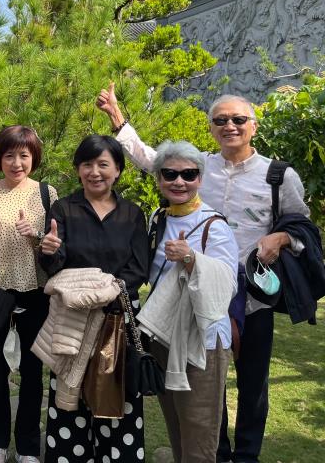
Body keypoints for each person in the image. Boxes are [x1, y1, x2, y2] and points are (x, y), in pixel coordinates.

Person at [97, 84, 310, 463]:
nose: (230, 126)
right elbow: (151, 160)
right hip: (191, 300)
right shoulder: (199, 166)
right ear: (211, 128)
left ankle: (245, 455)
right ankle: (217, 451)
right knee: (205, 387)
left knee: (252, 384)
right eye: (221, 120)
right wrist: (118, 119)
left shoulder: (278, 176)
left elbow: (302, 226)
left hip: (251, 297)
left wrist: (279, 236)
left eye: (239, 119)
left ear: (254, 126)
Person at [40, 135, 149, 463]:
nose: (95, 171)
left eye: (103, 164)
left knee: (118, 397)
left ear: (117, 170)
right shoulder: (64, 210)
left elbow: (138, 269)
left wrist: (102, 294)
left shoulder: (132, 215)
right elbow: (53, 267)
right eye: (87, 164)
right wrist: (49, 252)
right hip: (71, 322)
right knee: (69, 401)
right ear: (77, 169)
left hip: (118, 321)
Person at [137, 141, 238, 462]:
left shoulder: (215, 225)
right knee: (176, 423)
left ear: (200, 179)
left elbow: (228, 283)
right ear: (159, 178)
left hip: (202, 341)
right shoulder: (158, 218)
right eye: (170, 174)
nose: (179, 181)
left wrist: (192, 258)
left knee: (199, 428)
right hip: (165, 335)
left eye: (189, 174)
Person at [0, 126, 57, 463]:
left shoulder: (47, 194)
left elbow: (56, 246)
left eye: (24, 155)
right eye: (9, 155)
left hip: (38, 295)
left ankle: (26, 446)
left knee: (33, 376)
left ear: (33, 157)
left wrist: (35, 234)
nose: (17, 162)